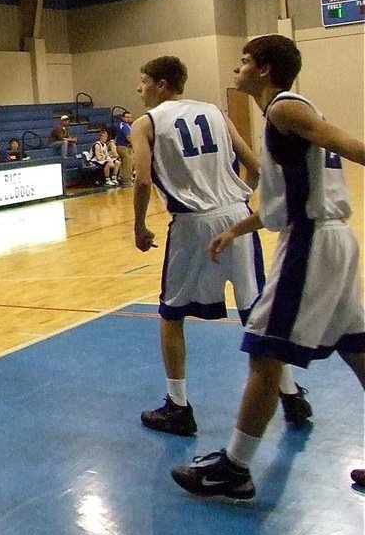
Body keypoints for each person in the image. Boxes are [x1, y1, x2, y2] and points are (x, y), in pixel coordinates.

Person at [172, 35, 365, 500]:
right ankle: (235, 466)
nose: (236, 68)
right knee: (358, 349)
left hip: (311, 243)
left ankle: (234, 468)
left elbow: (348, 145)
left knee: (266, 351)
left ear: (263, 69)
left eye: (243, 61)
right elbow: (282, 200)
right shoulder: (288, 112)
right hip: (330, 238)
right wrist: (236, 230)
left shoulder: (284, 108)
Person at [131, 54, 309, 438]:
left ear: (162, 85)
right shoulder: (214, 111)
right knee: (256, 311)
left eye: (143, 80)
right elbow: (255, 165)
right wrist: (240, 198)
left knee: (172, 315)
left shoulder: (145, 123)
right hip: (236, 214)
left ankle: (177, 406)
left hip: (192, 223)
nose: (139, 88)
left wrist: (139, 225)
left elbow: (143, 180)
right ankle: (291, 394)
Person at [115, 109, 134, 185]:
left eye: (130, 117)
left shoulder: (127, 125)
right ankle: (127, 181)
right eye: (127, 117)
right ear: (123, 118)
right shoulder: (124, 125)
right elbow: (128, 137)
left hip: (123, 146)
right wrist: (133, 144)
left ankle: (121, 177)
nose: (129, 119)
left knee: (124, 163)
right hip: (123, 146)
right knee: (128, 164)